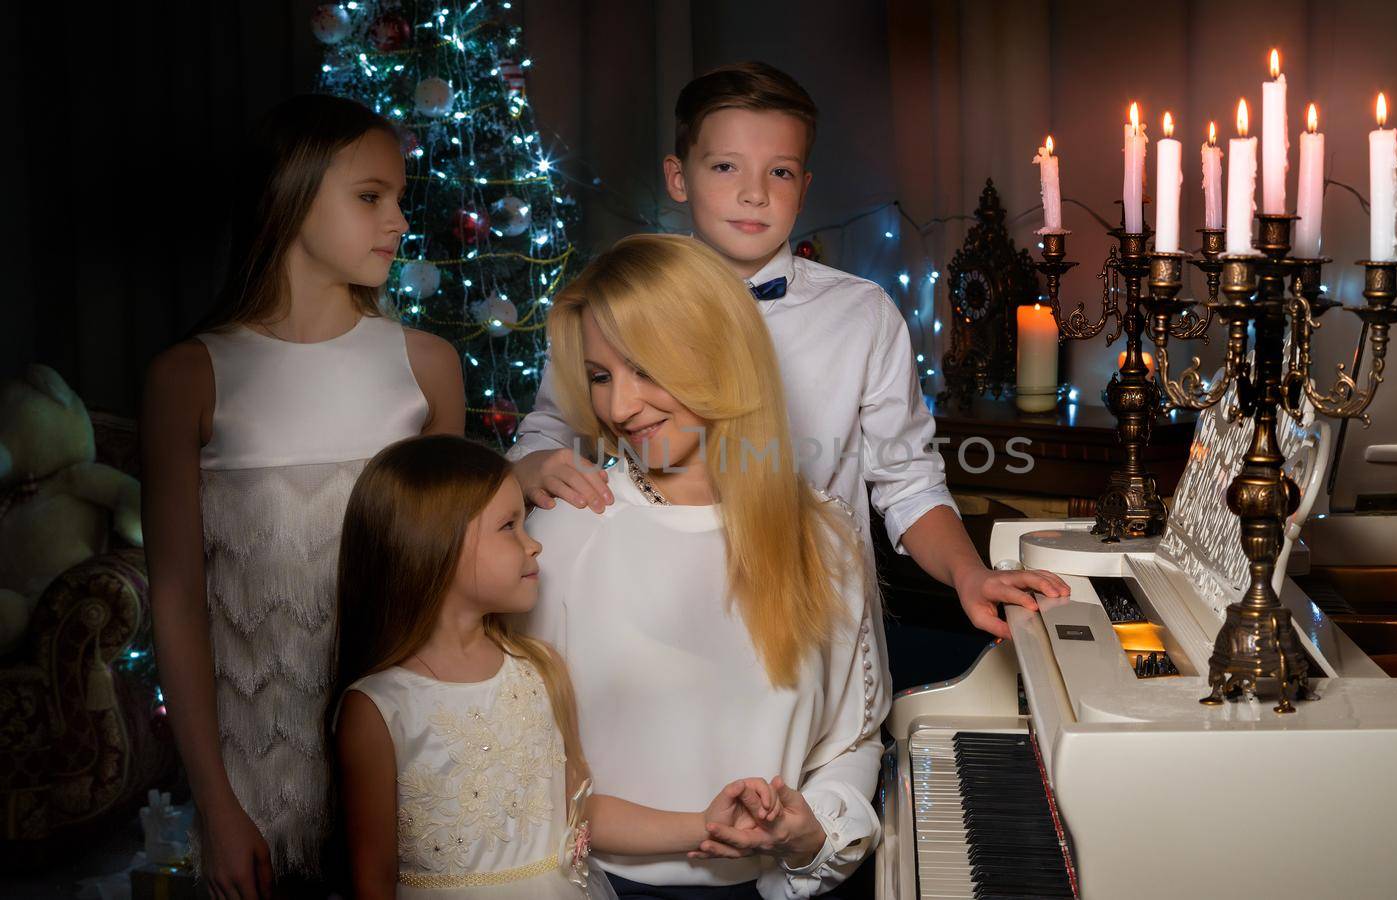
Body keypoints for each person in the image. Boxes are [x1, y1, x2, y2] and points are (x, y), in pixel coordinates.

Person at [509, 61, 1067, 641]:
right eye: (725, 166)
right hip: (660, 627)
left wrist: (969, 573)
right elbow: (550, 432)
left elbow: (908, 482)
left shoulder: (863, 315)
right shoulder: (617, 304)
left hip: (819, 628)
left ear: (803, 188)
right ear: (678, 177)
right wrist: (533, 467)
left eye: (779, 172)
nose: (753, 194)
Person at [141, 94, 464, 897]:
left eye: (399, 197)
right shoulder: (189, 377)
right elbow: (178, 600)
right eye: (369, 196)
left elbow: (456, 583)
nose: (397, 220)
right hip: (253, 788)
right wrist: (216, 808)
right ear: (290, 193)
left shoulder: (426, 367)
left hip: (411, 776)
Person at [528, 233, 888, 898]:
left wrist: (813, 832)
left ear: (721, 355)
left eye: (645, 368)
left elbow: (853, 739)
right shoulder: (563, 532)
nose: (619, 407)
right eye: (601, 376)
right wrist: (702, 829)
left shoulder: (825, 534)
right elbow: (524, 779)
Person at [331, 435, 783, 899]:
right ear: (432, 546)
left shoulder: (536, 670)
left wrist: (702, 824)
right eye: (509, 527)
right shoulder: (379, 709)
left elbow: (579, 812)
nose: (534, 546)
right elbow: (372, 880)